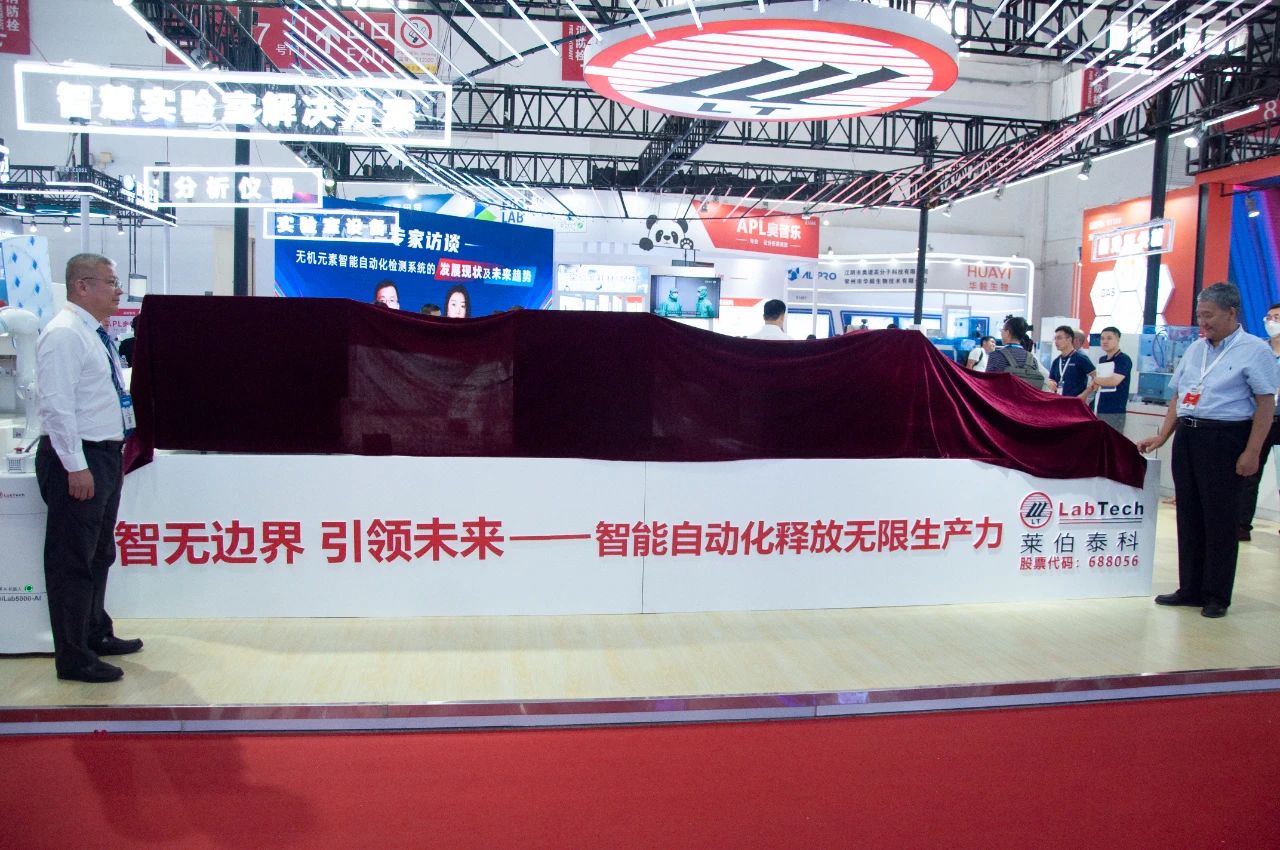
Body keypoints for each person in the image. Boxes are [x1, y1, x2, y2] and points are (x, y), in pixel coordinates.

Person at [1136, 283, 1278, 618]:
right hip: (1188, 435)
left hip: (1225, 438)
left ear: (1231, 313)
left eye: (1209, 315)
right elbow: (1178, 396)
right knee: (1188, 514)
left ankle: (1216, 595)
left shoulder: (1254, 350)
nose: (1202, 322)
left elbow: (1265, 404)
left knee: (1220, 519)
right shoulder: (1196, 349)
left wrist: (1252, 451)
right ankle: (1190, 588)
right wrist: (1163, 436)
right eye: (1199, 315)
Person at [35, 253, 144, 683]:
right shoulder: (65, 334)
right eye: (111, 282)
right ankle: (73, 656)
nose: (119, 291)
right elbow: (57, 407)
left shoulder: (93, 334)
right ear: (82, 286)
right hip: (78, 457)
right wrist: (75, 465)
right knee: (72, 560)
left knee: (99, 552)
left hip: (104, 453)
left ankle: (95, 632)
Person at [1236, 302, 1280, 541]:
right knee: (1250, 473)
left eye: (1277, 318)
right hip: (1261, 418)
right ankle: (1242, 525)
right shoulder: (1259, 350)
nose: (1271, 322)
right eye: (1269, 317)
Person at [1088, 326, 1133, 435]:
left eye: (1109, 338)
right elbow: (1098, 384)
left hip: (1114, 410)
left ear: (1117, 339)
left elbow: (1114, 381)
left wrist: (1096, 380)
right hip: (1098, 406)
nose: (1105, 341)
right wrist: (1095, 383)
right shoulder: (1102, 359)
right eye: (1102, 338)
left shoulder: (1123, 359)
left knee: (1112, 441)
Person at [1047, 324, 1095, 400]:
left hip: (1075, 402)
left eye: (1059, 338)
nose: (1056, 341)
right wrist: (1050, 382)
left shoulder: (1080, 358)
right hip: (1059, 401)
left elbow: (1096, 376)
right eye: (1055, 338)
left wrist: (1085, 394)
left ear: (1069, 339)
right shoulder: (1056, 361)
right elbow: (1051, 379)